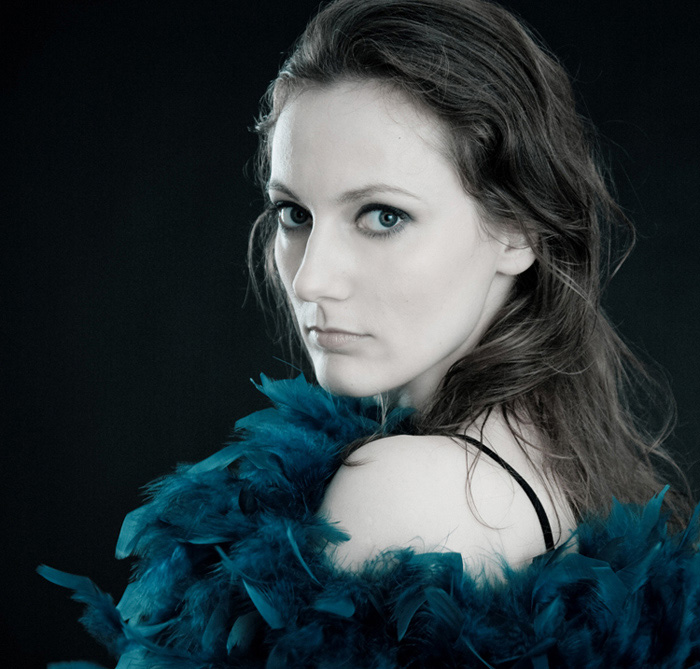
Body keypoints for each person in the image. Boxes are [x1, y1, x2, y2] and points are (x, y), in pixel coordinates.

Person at [39, 0, 700, 666]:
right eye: (294, 214)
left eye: (383, 216)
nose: (311, 280)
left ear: (518, 231)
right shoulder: (553, 458)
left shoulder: (409, 490)